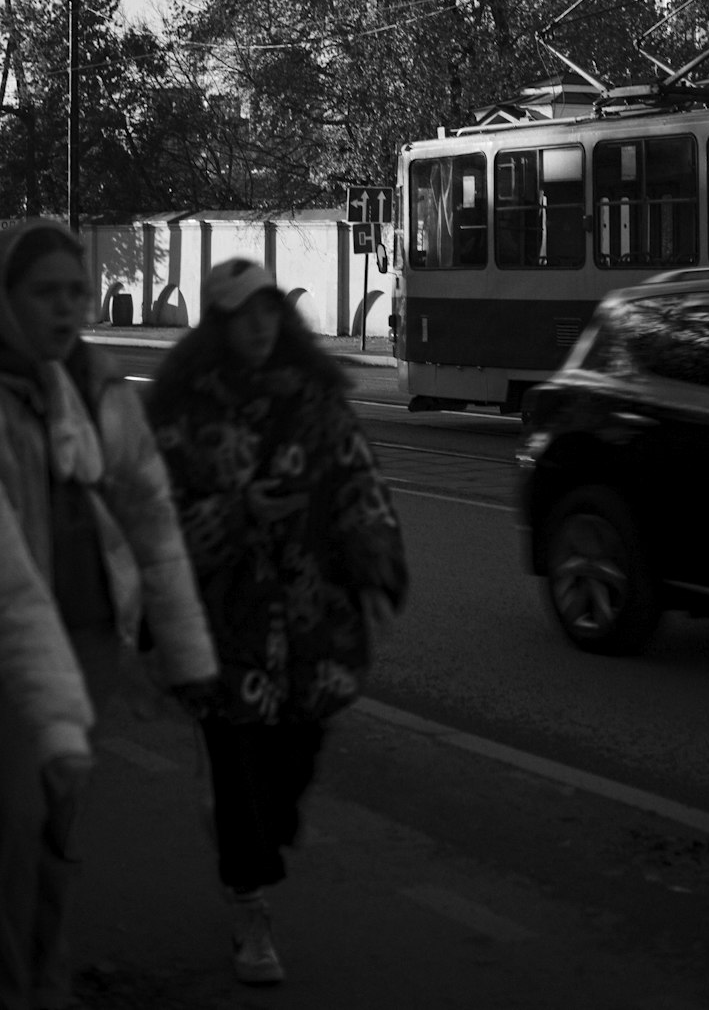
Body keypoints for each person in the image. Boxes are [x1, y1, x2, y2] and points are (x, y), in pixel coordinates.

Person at [145, 258, 408, 987]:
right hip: (221, 623)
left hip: (309, 619)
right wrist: (238, 513)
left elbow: (359, 484)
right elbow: (154, 521)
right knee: (237, 772)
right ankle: (250, 908)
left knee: (290, 769)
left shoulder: (318, 401)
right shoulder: (184, 413)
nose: (258, 325)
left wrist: (376, 568)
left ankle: (260, 842)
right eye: (241, 314)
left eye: (267, 310)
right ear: (217, 326)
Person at [0, 218, 219, 1010]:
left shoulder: (94, 388)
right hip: (15, 651)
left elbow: (152, 517)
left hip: (90, 636)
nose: (64, 309)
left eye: (74, 293)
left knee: (52, 828)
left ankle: (43, 975)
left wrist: (187, 656)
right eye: (43, 293)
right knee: (17, 825)